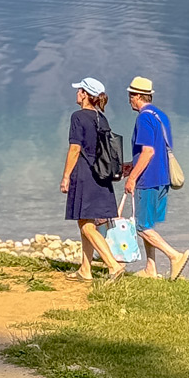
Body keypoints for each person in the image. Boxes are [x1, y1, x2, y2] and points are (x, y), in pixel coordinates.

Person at [124, 76, 189, 280]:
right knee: (147, 223)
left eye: (130, 96)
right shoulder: (161, 115)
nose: (129, 100)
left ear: (137, 96)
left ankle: (174, 256)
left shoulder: (143, 118)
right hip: (162, 177)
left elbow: (148, 152)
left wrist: (132, 177)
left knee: (141, 226)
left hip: (148, 178)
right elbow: (158, 150)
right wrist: (131, 164)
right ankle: (150, 268)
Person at [61, 77, 126, 283]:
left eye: (79, 90)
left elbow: (74, 148)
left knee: (86, 224)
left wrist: (65, 177)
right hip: (102, 176)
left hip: (85, 175)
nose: (77, 93)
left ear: (85, 95)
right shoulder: (101, 118)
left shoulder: (78, 117)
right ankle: (85, 269)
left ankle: (113, 266)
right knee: (86, 222)